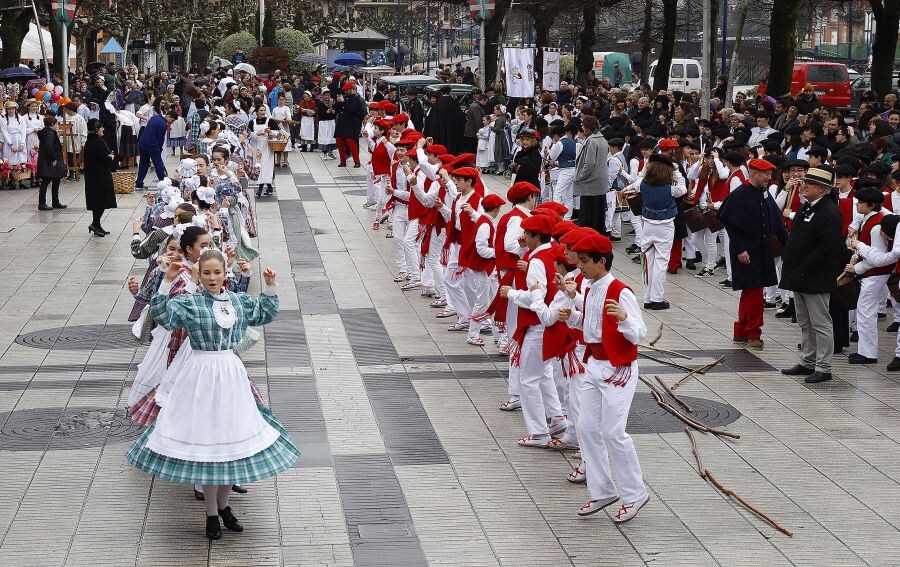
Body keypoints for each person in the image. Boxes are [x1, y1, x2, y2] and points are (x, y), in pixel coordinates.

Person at [127, 250, 299, 540]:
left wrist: (270, 285)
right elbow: (165, 318)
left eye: (216, 272)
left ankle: (224, 507)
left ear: (224, 273)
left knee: (230, 441)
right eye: (206, 273)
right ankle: (210, 515)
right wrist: (167, 283)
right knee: (208, 446)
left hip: (230, 374)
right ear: (199, 274)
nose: (212, 278)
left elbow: (262, 314)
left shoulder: (236, 301)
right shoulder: (191, 302)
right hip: (200, 374)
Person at [561, 232, 650, 523]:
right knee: (587, 427)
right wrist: (571, 316)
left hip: (618, 368)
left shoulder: (620, 291)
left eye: (585, 261)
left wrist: (624, 318)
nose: (580, 266)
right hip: (594, 364)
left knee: (613, 432)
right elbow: (589, 326)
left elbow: (639, 333)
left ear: (601, 262)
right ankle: (601, 490)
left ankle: (635, 494)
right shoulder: (589, 286)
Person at [779, 167, 843, 384]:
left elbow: (828, 247)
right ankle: (808, 361)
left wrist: (805, 266)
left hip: (815, 276)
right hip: (800, 275)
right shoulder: (808, 207)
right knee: (805, 322)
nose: (805, 186)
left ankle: (823, 367)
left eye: (811, 183)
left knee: (820, 323)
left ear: (823, 189)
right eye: (805, 182)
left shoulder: (829, 212)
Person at [717, 158, 787, 349]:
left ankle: (741, 330)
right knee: (754, 293)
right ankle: (753, 333)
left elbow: (775, 218)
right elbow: (729, 222)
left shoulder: (763, 192)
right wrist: (740, 249)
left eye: (770, 174)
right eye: (766, 174)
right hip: (746, 251)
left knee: (751, 291)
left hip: (762, 248)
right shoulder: (740, 194)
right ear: (754, 173)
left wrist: (785, 241)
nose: (769, 177)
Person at [846, 186, 895, 365]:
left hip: (874, 274)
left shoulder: (876, 226)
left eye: (860, 203)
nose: (857, 205)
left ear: (871, 205)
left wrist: (857, 268)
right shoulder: (870, 219)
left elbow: (877, 257)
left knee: (866, 312)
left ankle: (868, 353)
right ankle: (865, 351)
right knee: (865, 311)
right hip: (871, 272)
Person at [639, 154, 686, 310]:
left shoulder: (642, 184)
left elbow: (638, 179)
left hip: (647, 224)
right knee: (661, 263)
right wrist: (676, 171)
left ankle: (647, 298)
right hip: (665, 225)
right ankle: (657, 299)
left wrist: (645, 169)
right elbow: (683, 188)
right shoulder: (670, 189)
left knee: (648, 262)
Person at [573, 115, 610, 233]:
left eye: (583, 125)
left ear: (588, 127)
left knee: (588, 216)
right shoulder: (602, 139)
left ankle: (588, 237)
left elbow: (589, 164)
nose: (582, 128)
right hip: (600, 181)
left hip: (591, 182)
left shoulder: (592, 141)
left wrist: (579, 177)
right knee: (598, 215)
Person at [136, 109, 176, 190]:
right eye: (172, 120)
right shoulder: (163, 124)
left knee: (143, 164)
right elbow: (160, 139)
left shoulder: (155, 117)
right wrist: (159, 149)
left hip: (143, 143)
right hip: (152, 145)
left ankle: (139, 184)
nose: (171, 123)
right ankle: (164, 183)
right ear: (168, 116)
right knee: (158, 164)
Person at [35, 115, 67, 212]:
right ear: (52, 124)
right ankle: (42, 203)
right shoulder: (50, 133)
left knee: (56, 179)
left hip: (47, 160)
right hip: (50, 161)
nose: (57, 126)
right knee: (46, 181)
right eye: (56, 124)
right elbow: (49, 146)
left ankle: (55, 201)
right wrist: (53, 159)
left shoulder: (45, 132)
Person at [334, 81, 366, 167]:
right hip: (341, 123)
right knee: (339, 142)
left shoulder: (356, 99)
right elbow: (336, 110)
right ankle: (342, 161)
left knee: (351, 142)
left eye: (348, 90)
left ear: (352, 89)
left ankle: (357, 161)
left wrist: (343, 102)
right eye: (345, 90)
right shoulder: (344, 98)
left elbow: (352, 109)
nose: (346, 92)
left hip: (350, 124)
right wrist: (338, 102)